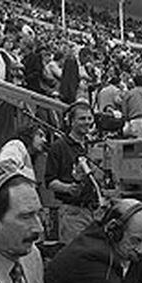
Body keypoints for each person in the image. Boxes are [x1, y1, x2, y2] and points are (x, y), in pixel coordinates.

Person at [45, 100, 97, 244]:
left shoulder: (94, 145)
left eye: (89, 118)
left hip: (96, 212)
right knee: (77, 256)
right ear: (71, 121)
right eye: (82, 118)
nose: (86, 122)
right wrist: (68, 188)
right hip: (73, 213)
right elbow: (49, 182)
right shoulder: (59, 147)